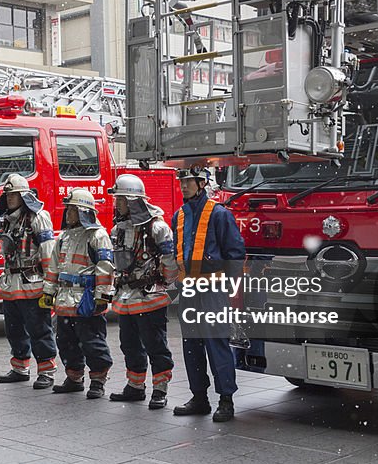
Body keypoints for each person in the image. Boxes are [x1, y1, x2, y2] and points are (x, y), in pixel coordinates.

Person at [171, 168, 245, 422]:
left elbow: (235, 253)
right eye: (181, 182)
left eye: (188, 182)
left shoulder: (219, 213)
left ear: (202, 183)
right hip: (188, 290)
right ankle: (199, 397)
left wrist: (229, 289)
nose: (183, 186)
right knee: (192, 345)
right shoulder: (178, 216)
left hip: (213, 290)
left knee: (217, 343)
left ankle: (226, 400)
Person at [108, 174, 178, 410]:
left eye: (120, 199)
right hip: (127, 297)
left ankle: (160, 389)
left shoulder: (157, 227)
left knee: (155, 345)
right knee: (129, 344)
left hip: (150, 297)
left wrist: (166, 285)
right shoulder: (118, 229)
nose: (116, 204)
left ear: (133, 200)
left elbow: (169, 260)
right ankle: (135, 387)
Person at [41, 189, 115, 399]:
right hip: (65, 300)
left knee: (92, 342)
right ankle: (74, 378)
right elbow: (54, 267)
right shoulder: (63, 237)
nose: (68, 213)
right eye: (68, 209)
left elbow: (105, 267)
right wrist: (48, 292)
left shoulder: (98, 236)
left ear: (83, 211)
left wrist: (103, 296)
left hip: (86, 300)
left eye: (72, 209)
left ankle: (98, 381)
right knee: (66, 341)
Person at [0, 174, 58, 389]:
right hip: (11, 283)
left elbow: (48, 252)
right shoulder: (7, 219)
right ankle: (20, 368)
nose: (10, 199)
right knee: (13, 329)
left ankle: (47, 371)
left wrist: (50, 285)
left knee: (39, 328)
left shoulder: (38, 217)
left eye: (14, 195)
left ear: (24, 196)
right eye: (8, 195)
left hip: (33, 283)